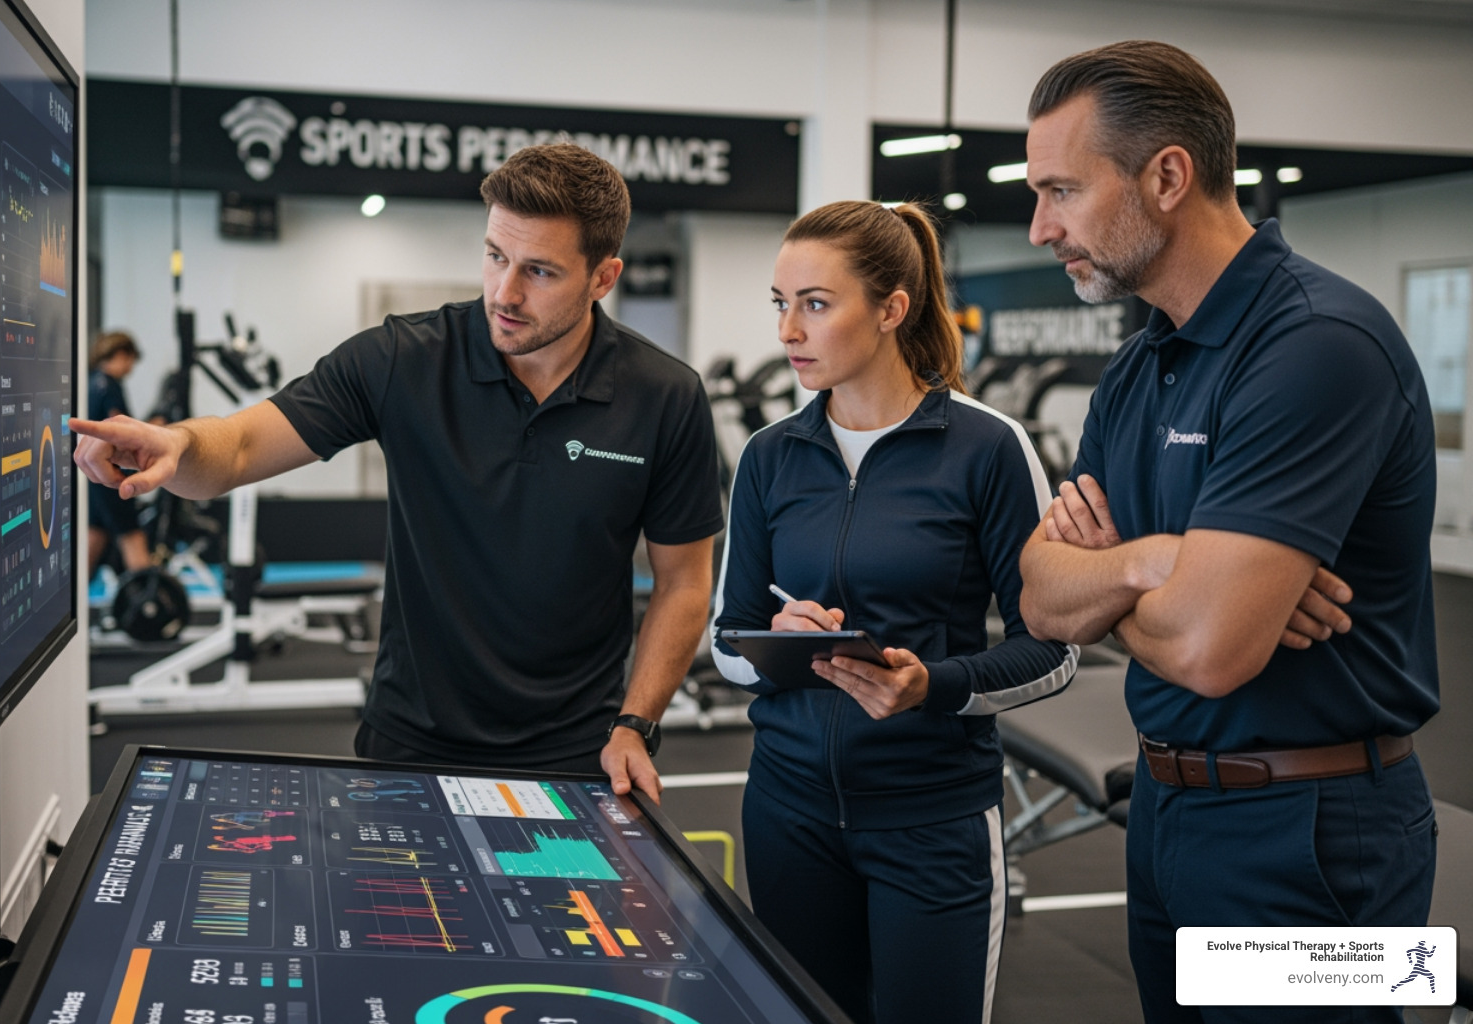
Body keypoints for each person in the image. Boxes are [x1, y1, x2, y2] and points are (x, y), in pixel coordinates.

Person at [73, 143, 723, 801]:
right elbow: (240, 446)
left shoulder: (664, 396)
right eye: (495, 256)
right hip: (411, 739)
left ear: (603, 278)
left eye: (540, 271)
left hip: (578, 749)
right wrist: (177, 444)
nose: (505, 292)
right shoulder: (401, 359)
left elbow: (683, 582)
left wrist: (636, 724)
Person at [1015, 41, 1438, 1023]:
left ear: (1167, 177)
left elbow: (1209, 649)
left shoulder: (1317, 345)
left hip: (1311, 832)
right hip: (1166, 809)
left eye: (1061, 191)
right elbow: (1038, 595)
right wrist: (1163, 564)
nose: (1041, 227)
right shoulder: (1138, 369)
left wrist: (1114, 580)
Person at [711, 200, 1077, 1024]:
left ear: (891, 309)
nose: (789, 330)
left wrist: (931, 685)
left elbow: (1053, 650)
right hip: (788, 815)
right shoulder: (770, 457)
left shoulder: (987, 449)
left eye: (815, 303)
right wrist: (774, 643)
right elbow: (727, 639)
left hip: (932, 821)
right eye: (781, 303)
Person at [86, 331, 154, 577]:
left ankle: (68, 593)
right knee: (132, 535)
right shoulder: (110, 386)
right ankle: (147, 594)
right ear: (121, 354)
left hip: (93, 475)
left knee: (96, 533)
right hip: (111, 476)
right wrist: (155, 429)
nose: (130, 368)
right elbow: (121, 432)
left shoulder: (93, 382)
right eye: (131, 361)